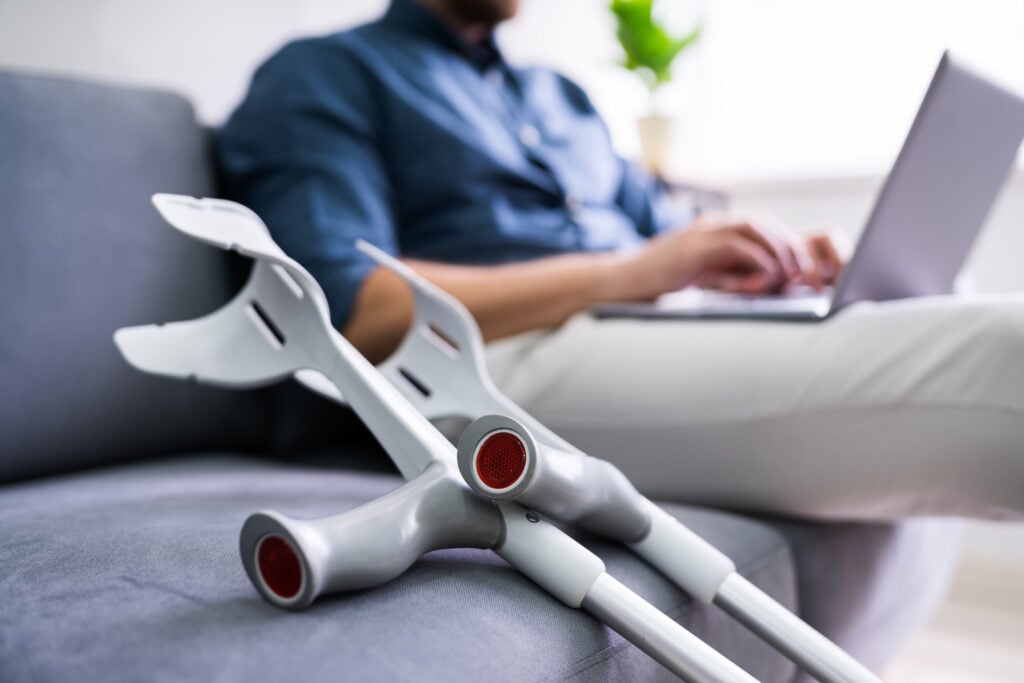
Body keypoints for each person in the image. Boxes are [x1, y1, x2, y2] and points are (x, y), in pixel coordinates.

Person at [218, 0, 1024, 521]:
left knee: (941, 293)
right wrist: (627, 273)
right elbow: (353, 313)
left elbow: (665, 233)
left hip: (637, 322)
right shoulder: (325, 74)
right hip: (481, 364)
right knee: (1002, 352)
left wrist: (767, 257)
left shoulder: (559, 99)